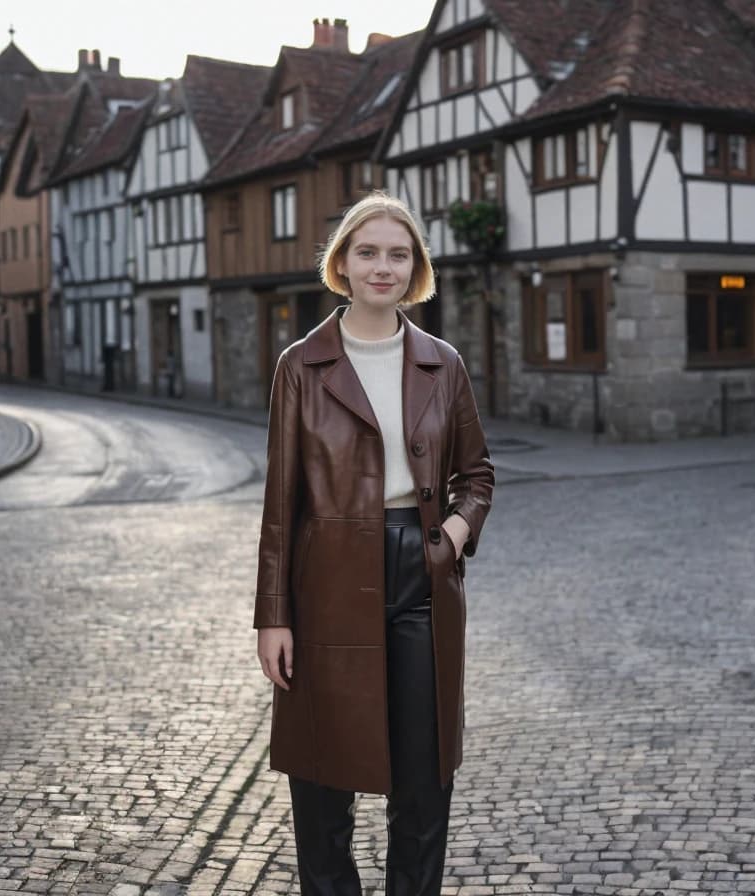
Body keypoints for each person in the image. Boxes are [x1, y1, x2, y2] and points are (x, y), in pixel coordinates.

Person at [254, 191, 494, 896]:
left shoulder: (441, 363)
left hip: (422, 578)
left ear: (415, 267)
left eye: (398, 254)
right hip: (324, 580)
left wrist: (447, 538)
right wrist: (273, 615)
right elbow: (279, 504)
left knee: (424, 781)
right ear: (343, 265)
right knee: (323, 778)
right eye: (368, 253)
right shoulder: (302, 365)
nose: (383, 267)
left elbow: (476, 476)